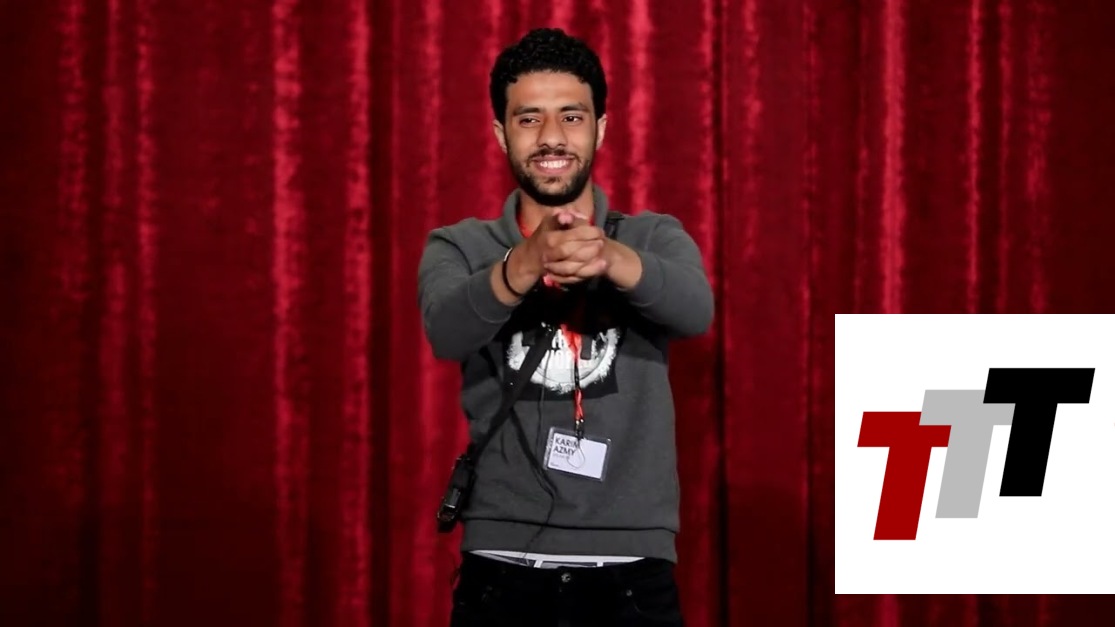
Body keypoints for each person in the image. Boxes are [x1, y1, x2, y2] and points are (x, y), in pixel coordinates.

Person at [417, 27, 713, 627]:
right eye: (529, 119)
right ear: (500, 133)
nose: (551, 136)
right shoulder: (460, 246)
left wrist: (609, 258)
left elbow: (694, 311)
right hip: (503, 568)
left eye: (571, 117)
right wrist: (522, 265)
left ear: (600, 128)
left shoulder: (652, 236)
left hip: (630, 570)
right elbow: (446, 331)